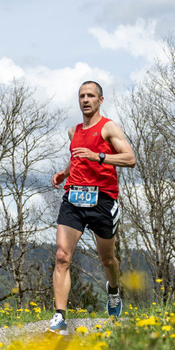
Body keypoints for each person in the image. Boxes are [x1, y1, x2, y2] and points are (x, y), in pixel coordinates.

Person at [48, 80, 136, 335]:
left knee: (107, 259)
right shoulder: (73, 131)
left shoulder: (108, 127)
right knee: (62, 256)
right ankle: (59, 317)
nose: (85, 100)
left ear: (100, 100)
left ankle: (113, 289)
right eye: (82, 96)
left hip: (103, 200)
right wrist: (64, 173)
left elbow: (129, 158)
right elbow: (78, 155)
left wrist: (99, 156)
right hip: (73, 199)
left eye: (90, 96)